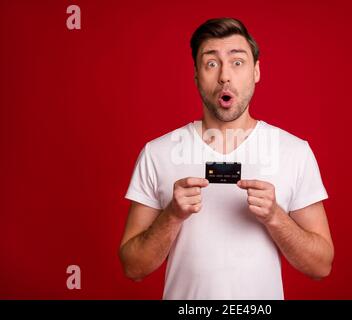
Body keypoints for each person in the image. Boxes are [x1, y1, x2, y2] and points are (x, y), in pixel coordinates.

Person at [119, 17, 334, 300]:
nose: (224, 76)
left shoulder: (294, 151)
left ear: (256, 71)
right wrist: (171, 216)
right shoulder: (157, 153)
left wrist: (275, 217)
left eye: (237, 62)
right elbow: (133, 267)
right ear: (196, 75)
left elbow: (321, 266)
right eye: (211, 63)